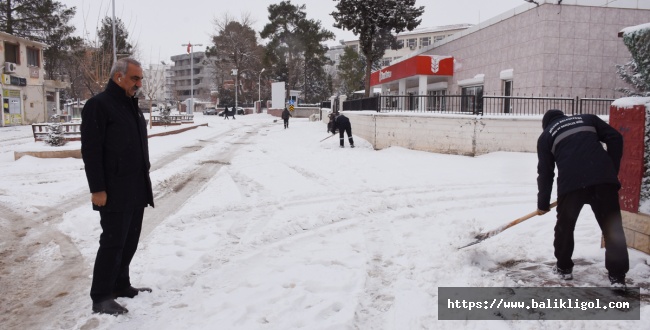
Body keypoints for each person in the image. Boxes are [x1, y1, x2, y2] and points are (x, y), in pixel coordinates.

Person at [81, 57, 155, 315]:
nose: (139, 83)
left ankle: (121, 285)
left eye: (140, 78)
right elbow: (91, 151)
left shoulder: (131, 106)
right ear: (118, 77)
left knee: (130, 241)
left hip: (136, 186)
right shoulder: (98, 105)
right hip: (112, 190)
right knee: (112, 242)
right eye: (135, 78)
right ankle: (101, 296)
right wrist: (97, 188)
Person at [536, 109, 628, 288]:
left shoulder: (546, 136)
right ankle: (617, 278)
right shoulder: (588, 118)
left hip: (571, 185)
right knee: (612, 228)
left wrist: (543, 203)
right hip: (603, 181)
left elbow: (545, 172)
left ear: (546, 124)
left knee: (565, 227)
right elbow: (615, 138)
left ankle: (563, 268)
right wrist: (610, 169)